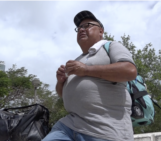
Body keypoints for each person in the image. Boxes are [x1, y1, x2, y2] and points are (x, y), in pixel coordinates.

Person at [42, 10, 137, 141]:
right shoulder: (78, 59)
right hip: (69, 126)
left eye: (87, 25)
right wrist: (61, 82)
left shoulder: (111, 46)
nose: (81, 29)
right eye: (79, 27)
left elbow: (129, 71)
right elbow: (62, 94)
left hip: (104, 130)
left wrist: (86, 69)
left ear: (101, 31)